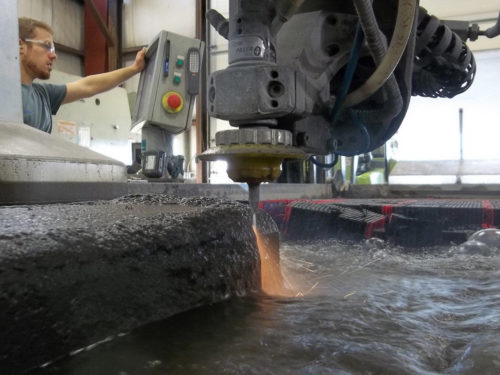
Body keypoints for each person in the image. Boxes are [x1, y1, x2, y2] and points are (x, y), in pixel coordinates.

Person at [18, 17, 147, 133]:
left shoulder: (42, 95)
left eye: (53, 49)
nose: (53, 55)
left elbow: (88, 86)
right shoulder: (7, 96)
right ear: (20, 46)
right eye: (47, 46)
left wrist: (134, 68)